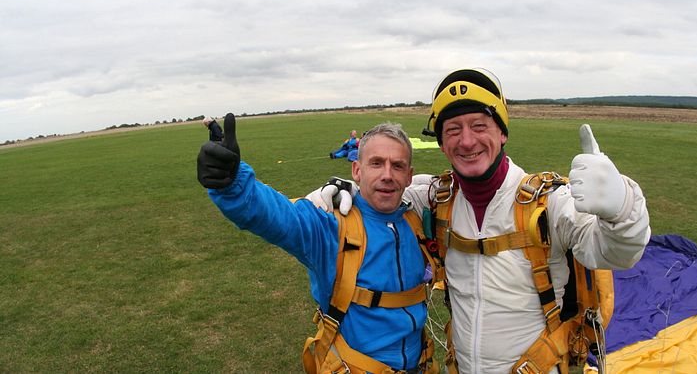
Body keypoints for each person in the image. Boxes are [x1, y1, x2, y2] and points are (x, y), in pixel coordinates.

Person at [308, 68, 651, 373]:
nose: (467, 140)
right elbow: (385, 190)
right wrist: (341, 189)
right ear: (441, 143)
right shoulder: (435, 197)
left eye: (479, 126)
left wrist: (622, 208)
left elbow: (615, 252)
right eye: (453, 129)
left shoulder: (550, 203)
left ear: (502, 133)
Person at [196, 116, 436, 373]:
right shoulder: (330, 226)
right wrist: (234, 185)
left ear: (409, 176)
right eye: (376, 163)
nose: (387, 175)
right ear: (357, 170)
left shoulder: (418, 221)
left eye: (397, 166)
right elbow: (279, 217)